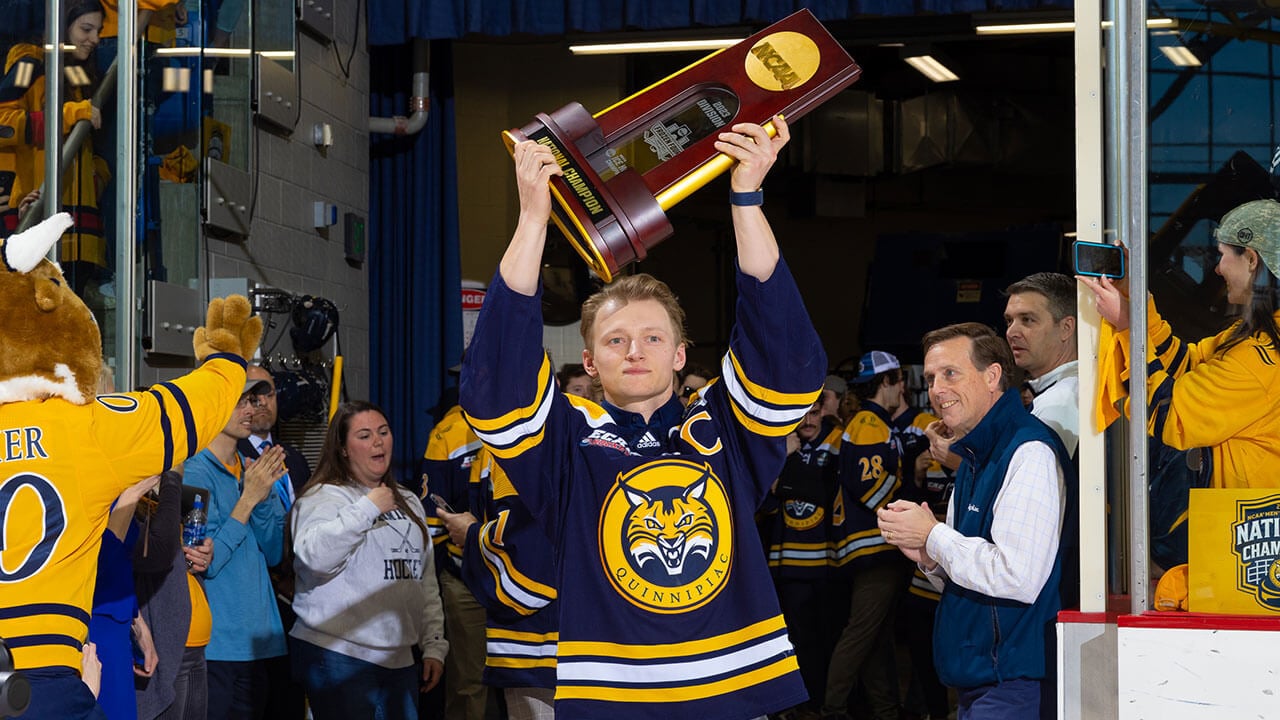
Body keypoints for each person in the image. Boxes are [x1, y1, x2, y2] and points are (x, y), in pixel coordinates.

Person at [460, 115, 825, 719]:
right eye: (617, 340)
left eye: (653, 338)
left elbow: (784, 355)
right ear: (590, 362)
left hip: (734, 688)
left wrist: (747, 198)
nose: (635, 350)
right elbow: (497, 387)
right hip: (612, 695)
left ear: (681, 355)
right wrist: (532, 219)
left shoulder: (723, 429)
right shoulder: (569, 443)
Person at [876, 322, 1074, 719]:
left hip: (1015, 684)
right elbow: (969, 568)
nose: (936, 389)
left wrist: (934, 535)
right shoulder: (975, 456)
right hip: (984, 681)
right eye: (931, 377)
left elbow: (1017, 575)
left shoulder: (1028, 451)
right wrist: (928, 556)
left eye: (950, 373)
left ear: (992, 376)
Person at [1080, 199, 1280, 489]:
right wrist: (1138, 305)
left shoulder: (1258, 360)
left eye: (1222, 256)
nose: (1217, 269)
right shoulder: (1254, 337)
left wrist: (1127, 327)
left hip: (1238, 525)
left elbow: (1168, 412)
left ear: (1251, 259)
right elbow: (1185, 366)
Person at [290, 401, 447, 720]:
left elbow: (424, 579)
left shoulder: (409, 501)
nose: (377, 441)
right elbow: (315, 559)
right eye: (364, 435)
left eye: (383, 432)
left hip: (399, 658)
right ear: (343, 449)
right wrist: (367, 509)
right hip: (339, 655)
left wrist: (433, 644)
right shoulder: (322, 498)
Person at [184, 379, 289, 720]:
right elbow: (205, 562)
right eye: (239, 401)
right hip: (220, 648)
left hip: (264, 641)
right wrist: (247, 500)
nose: (251, 409)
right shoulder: (193, 471)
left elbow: (274, 552)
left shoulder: (252, 468)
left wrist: (256, 495)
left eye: (253, 400)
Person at [0, 0, 110, 301]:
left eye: (98, 30)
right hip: (34, 212)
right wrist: (69, 114)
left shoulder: (78, 72)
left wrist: (98, 175)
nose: (95, 39)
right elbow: (3, 124)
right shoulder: (28, 63)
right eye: (85, 29)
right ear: (61, 26)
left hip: (78, 226)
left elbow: (93, 144)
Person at [822, 351, 910, 720]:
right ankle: (832, 709)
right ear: (885, 382)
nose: (903, 387)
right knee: (861, 632)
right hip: (874, 544)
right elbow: (867, 484)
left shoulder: (869, 422)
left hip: (868, 545)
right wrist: (906, 496)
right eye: (898, 379)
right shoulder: (870, 422)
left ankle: (886, 711)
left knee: (874, 635)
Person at [758, 401, 843, 717]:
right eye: (801, 415)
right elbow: (764, 500)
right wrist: (783, 460)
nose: (808, 421)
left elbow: (825, 490)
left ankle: (824, 702)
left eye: (815, 413)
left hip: (828, 562)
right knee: (796, 639)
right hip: (788, 564)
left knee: (828, 636)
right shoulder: (780, 447)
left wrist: (787, 473)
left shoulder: (836, 442)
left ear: (824, 413)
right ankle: (801, 704)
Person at [235, 364, 310, 720]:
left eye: (267, 393)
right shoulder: (230, 456)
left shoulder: (294, 459)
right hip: (258, 596)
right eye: (251, 395)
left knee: (291, 698)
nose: (261, 402)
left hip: (300, 596)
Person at [419, 399, 490, 720]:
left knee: (531, 679)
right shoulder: (447, 433)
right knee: (468, 681)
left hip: (532, 581)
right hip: (467, 577)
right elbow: (433, 522)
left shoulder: (540, 425)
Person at [134, 470, 215, 720]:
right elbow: (157, 553)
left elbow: (178, 555)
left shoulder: (170, 493)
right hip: (163, 648)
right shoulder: (125, 498)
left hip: (195, 644)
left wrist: (202, 556)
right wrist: (172, 478)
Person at [1004, 272, 1079, 456]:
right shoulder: (1063, 392)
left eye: (1027, 320)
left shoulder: (1059, 402)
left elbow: (1044, 483)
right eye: (1009, 321)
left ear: (1066, 328)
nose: (1011, 332)